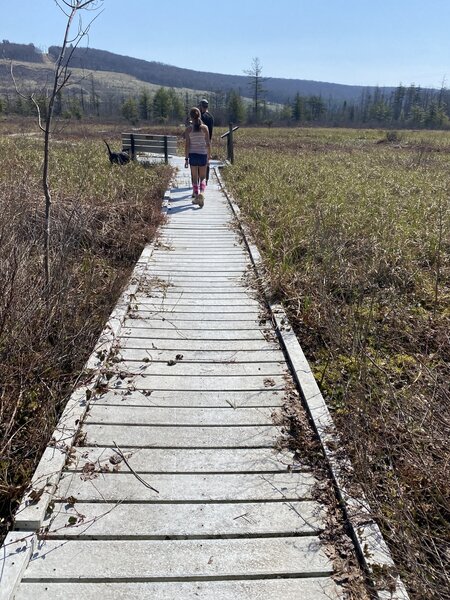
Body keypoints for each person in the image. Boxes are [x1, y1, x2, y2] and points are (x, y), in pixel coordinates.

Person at [184, 107, 211, 208]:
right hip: (203, 154)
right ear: (199, 115)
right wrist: (208, 157)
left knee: (195, 178)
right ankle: (202, 194)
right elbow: (208, 144)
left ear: (190, 117)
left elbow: (187, 145)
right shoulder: (205, 128)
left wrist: (186, 159)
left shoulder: (188, 129)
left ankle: (196, 195)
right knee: (203, 177)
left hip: (193, 155)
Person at [199, 99, 214, 183]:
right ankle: (206, 178)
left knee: (199, 160)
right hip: (208, 141)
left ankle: (200, 178)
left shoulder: (200, 117)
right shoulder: (211, 117)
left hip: (200, 140)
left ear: (201, 106)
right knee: (207, 160)